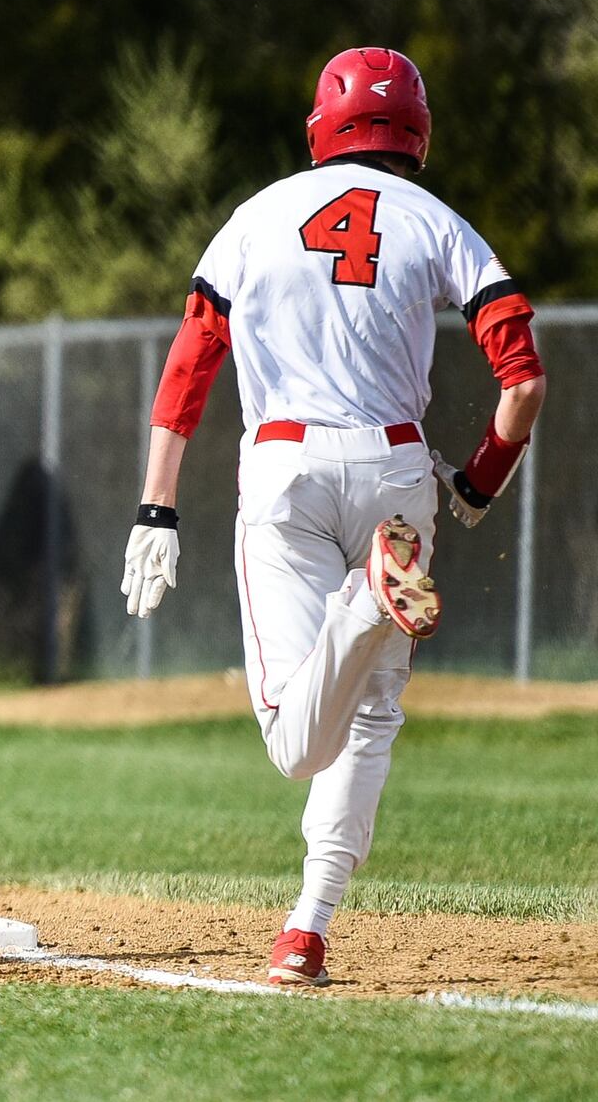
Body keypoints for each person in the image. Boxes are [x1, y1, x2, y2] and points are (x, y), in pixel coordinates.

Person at [121, 48, 546, 986]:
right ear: (416, 131)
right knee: (372, 714)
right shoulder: (437, 220)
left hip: (285, 468)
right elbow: (523, 378)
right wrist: (476, 481)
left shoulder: (256, 216)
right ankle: (306, 928)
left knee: (291, 739)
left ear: (324, 123)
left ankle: (364, 602)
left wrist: (157, 504)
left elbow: (191, 367)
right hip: (399, 470)